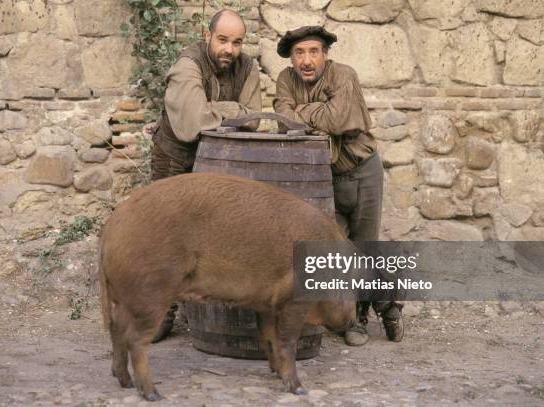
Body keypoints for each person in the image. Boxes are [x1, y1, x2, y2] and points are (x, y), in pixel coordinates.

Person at [273, 26, 403, 346]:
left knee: (364, 248)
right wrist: (322, 111)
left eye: (313, 52)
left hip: (363, 172)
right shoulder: (285, 81)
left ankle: (358, 320)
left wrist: (304, 112)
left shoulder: (344, 75)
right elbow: (283, 120)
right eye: (299, 53)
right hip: (324, 179)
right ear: (291, 58)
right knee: (338, 253)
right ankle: (389, 305)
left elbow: (342, 121)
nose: (307, 60)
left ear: (325, 54)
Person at [150, 9, 262, 341]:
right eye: (223, 40)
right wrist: (233, 110)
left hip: (217, 162)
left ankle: (206, 310)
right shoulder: (188, 65)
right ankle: (160, 311)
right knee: (167, 238)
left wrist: (217, 111)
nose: (230, 49)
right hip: (176, 161)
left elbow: (254, 119)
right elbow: (190, 126)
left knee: (211, 238)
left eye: (237, 42)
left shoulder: (248, 67)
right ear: (207, 35)